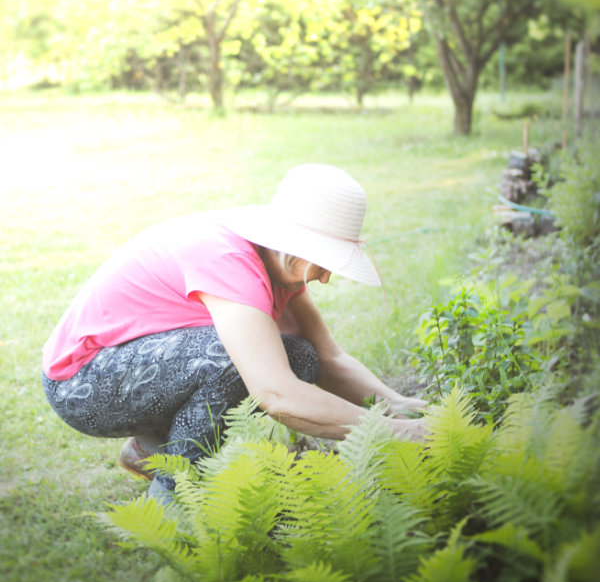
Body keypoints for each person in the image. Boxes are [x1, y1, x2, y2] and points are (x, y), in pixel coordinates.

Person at [41, 163, 427, 501]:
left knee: (300, 356)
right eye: (325, 261)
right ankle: (178, 495)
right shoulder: (228, 262)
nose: (326, 278)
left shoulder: (277, 265)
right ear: (293, 246)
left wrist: (407, 408)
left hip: (131, 368)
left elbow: (330, 358)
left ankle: (150, 448)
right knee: (232, 361)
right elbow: (276, 394)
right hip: (81, 384)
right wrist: (399, 433)